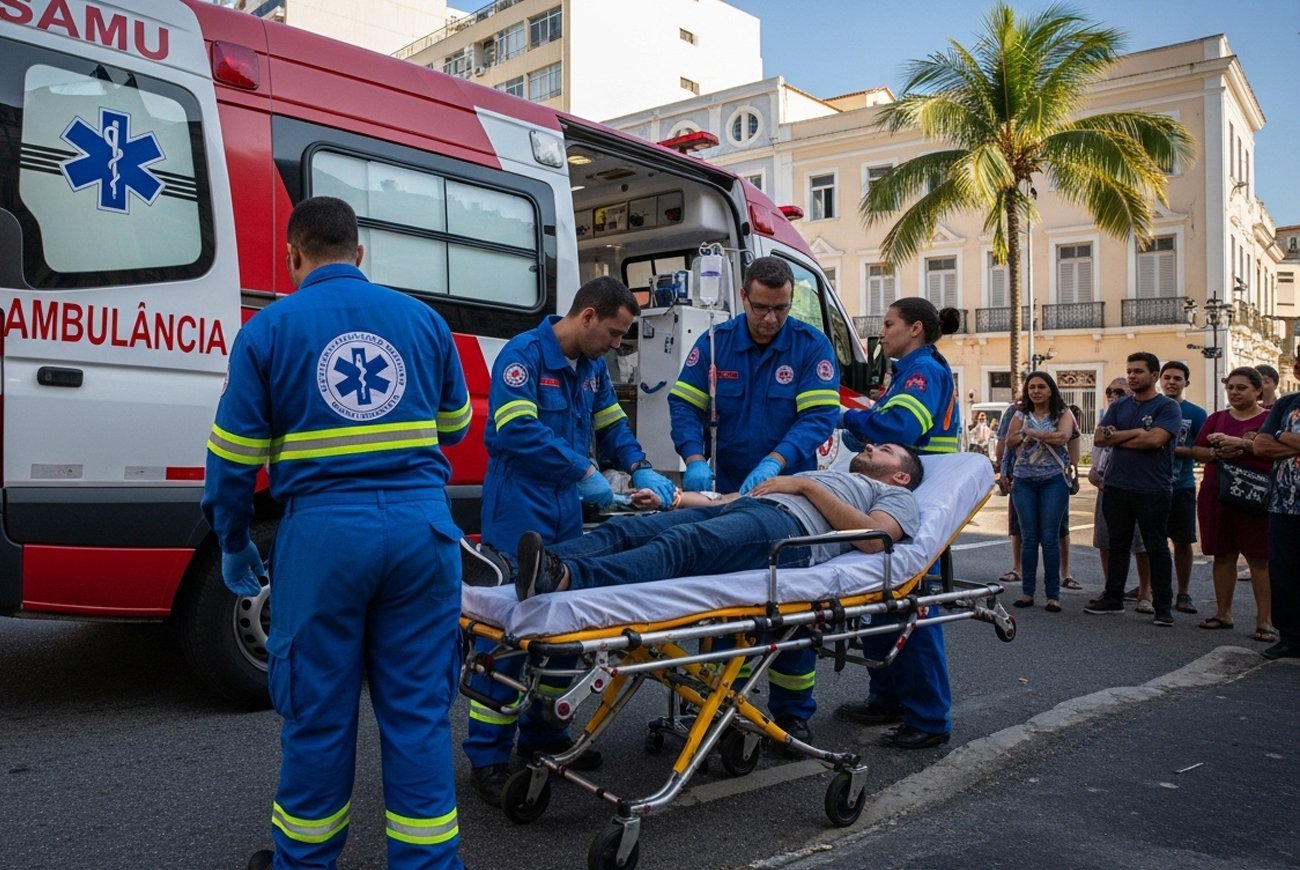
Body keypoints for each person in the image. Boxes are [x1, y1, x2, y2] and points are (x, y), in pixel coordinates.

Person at [203, 197, 470, 869]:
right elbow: (456, 427)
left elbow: (232, 461)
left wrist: (234, 542)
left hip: (323, 537)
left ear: (294, 257)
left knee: (319, 714)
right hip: (421, 532)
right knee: (417, 714)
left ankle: (304, 863)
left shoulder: (268, 330)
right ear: (359, 254)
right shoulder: (423, 320)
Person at [463, 276, 676, 806]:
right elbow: (513, 430)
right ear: (586, 317)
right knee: (507, 633)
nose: (617, 346)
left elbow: (612, 428)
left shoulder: (591, 370)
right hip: (520, 510)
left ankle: (544, 736)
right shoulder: (525, 356)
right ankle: (488, 756)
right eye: (613, 333)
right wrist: (582, 468)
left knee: (563, 627)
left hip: (564, 513)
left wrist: (640, 468)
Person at [667, 256, 839, 746]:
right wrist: (694, 457)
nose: (771, 319)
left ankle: (792, 713)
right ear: (744, 298)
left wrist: (777, 462)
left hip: (788, 495)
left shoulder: (809, 346)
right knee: (725, 607)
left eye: (781, 308)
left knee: (793, 609)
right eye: (762, 308)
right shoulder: (717, 344)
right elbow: (684, 404)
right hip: (724, 490)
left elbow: (817, 418)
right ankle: (723, 707)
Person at [508, 443, 921, 596]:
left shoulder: (893, 493)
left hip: (787, 531)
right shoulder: (827, 475)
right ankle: (513, 568)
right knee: (627, 527)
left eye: (883, 449)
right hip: (747, 508)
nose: (869, 446)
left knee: (680, 548)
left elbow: (876, 539)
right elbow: (730, 498)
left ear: (900, 473)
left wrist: (805, 488)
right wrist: (671, 499)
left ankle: (565, 578)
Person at [837, 298, 960, 750]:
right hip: (903, 492)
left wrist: (849, 416)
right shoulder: (910, 371)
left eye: (888, 324)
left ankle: (929, 718)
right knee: (884, 599)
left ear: (914, 330)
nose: (881, 331)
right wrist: (862, 428)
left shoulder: (922, 371)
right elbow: (884, 428)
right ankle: (886, 698)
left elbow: (902, 428)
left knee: (912, 606)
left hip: (917, 499)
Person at [1085, 352, 1182, 625]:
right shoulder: (1120, 405)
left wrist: (1120, 437)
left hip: (1153, 489)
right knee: (1118, 545)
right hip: (1116, 486)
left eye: (1138, 371)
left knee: (1156, 548)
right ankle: (1113, 598)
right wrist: (1137, 433)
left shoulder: (1168, 408)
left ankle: (1163, 607)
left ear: (1154, 376)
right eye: (1129, 371)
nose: (1132, 376)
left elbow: (1155, 441)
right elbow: (1100, 439)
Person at [1189, 367, 1272, 640]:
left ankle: (1265, 621)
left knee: (1259, 559)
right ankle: (1223, 613)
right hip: (1217, 494)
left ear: (1258, 390)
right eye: (1231, 387)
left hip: (1255, 497)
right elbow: (1197, 451)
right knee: (1223, 555)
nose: (1234, 392)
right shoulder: (1217, 418)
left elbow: (1276, 451)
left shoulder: (1270, 420)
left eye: (1242, 387)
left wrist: (1244, 446)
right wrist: (1215, 451)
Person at [1005, 372, 1076, 612]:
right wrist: (1024, 435)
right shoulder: (1020, 414)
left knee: (1050, 537)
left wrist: (1031, 433)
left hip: (1053, 481)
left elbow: (1062, 436)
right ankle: (1027, 593)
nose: (1036, 391)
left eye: (1041, 387)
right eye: (1031, 387)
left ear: (1050, 390)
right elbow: (1009, 440)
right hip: (1023, 481)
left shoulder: (1062, 413)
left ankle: (1053, 595)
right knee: (1028, 537)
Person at [1252, 351, 1300, 659]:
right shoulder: (1286, 404)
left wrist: (1280, 437)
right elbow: (1260, 444)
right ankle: (1291, 638)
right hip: (1284, 504)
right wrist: (1282, 435)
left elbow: (1272, 442)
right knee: (1284, 573)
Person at [1090, 378, 1151, 594]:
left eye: (1120, 391)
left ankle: (1145, 591)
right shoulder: (1104, 423)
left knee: (1141, 544)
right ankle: (1112, 588)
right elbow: (1097, 453)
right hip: (1107, 489)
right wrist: (1096, 477)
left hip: (1136, 488)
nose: (1113, 395)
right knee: (1105, 541)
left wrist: (1115, 438)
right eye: (1109, 391)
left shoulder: (1141, 420)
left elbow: (1146, 441)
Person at [1159, 360, 1207, 614]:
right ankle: (1153, 589)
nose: (1171, 382)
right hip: (1151, 486)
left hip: (1182, 485)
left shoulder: (1196, 414)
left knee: (1182, 541)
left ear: (1186, 383)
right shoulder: (1152, 408)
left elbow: (1202, 451)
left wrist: (1168, 446)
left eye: (1177, 378)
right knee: (1151, 543)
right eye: (1167, 377)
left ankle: (1183, 592)